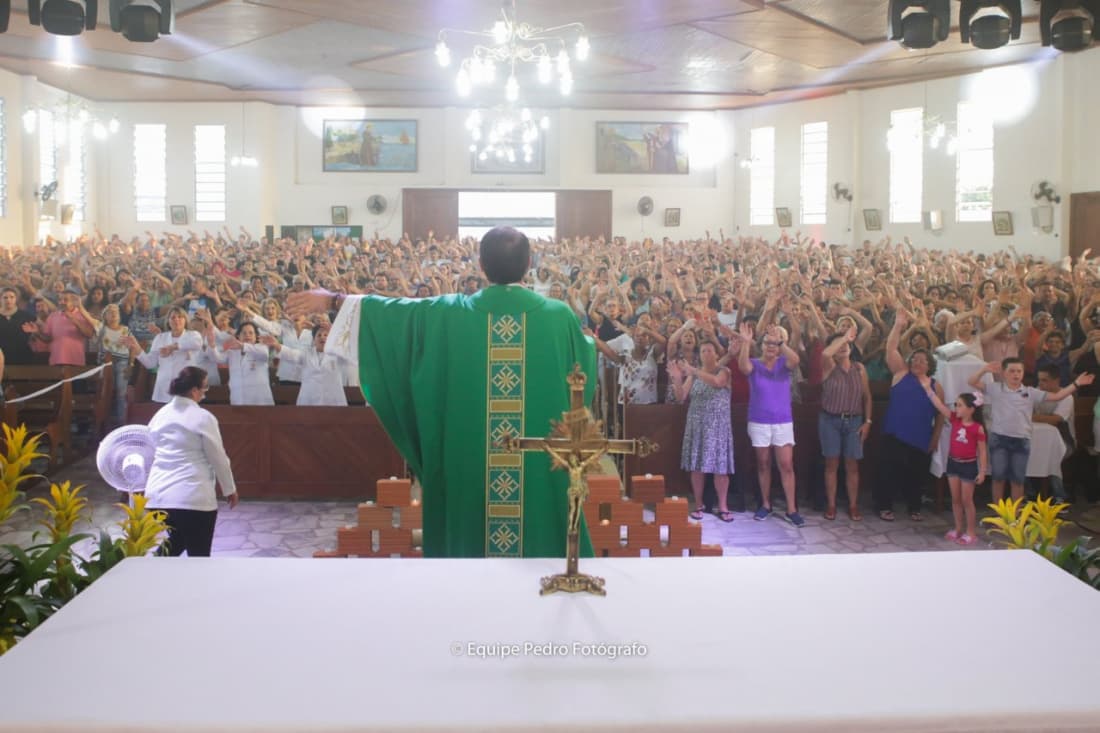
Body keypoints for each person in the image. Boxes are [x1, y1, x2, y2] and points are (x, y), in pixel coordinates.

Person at [286, 226, 596, 559]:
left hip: (467, 461)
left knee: (467, 552)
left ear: (480, 265)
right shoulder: (558, 317)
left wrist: (333, 299)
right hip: (538, 465)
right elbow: (583, 378)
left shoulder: (448, 312)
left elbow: (392, 313)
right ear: (530, 263)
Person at [144, 366, 238, 557]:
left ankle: (150, 574)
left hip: (158, 497)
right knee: (199, 557)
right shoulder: (203, 417)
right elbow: (218, 457)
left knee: (176, 543)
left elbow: (149, 448)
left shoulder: (159, 415)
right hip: (192, 498)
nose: (205, 394)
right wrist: (229, 489)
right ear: (194, 390)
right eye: (205, 389)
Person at [967, 357, 1091, 502]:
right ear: (1004, 373)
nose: (1016, 374)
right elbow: (972, 382)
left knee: (1017, 480)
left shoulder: (1031, 392)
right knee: (998, 478)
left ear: (1023, 373)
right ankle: (1000, 515)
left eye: (1019, 371)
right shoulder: (995, 388)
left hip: (1021, 441)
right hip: (999, 439)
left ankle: (1016, 517)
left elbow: (1058, 396)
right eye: (1012, 371)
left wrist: (1077, 383)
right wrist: (984, 370)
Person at [875, 312, 944, 522]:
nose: (917, 362)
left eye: (922, 360)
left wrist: (935, 438)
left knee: (917, 474)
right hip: (895, 434)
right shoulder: (901, 374)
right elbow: (891, 348)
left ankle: (915, 507)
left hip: (921, 436)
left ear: (930, 365)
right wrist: (898, 325)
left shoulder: (936, 386)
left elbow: (941, 415)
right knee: (888, 472)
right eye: (914, 358)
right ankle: (884, 506)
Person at [738, 322, 804, 527]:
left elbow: (796, 359)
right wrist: (746, 343)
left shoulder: (784, 363)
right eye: (767, 343)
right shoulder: (754, 364)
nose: (770, 347)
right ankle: (765, 505)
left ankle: (791, 509)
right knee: (763, 463)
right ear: (762, 345)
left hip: (782, 421)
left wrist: (781, 342)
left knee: (786, 465)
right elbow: (743, 367)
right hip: (759, 421)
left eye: (774, 344)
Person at [668, 340, 734, 522]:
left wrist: (694, 371)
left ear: (716, 354)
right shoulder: (694, 375)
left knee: (720, 469)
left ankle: (723, 506)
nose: (706, 353)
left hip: (718, 427)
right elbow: (681, 397)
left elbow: (718, 382)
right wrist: (677, 378)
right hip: (696, 426)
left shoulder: (724, 371)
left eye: (709, 350)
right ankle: (699, 504)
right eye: (703, 350)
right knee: (697, 467)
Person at [818, 326, 872, 521]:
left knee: (852, 465)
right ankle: (831, 505)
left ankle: (853, 505)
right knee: (831, 463)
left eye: (846, 343)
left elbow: (867, 397)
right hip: (830, 420)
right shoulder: (829, 366)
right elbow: (826, 353)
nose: (842, 346)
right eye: (837, 344)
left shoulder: (859, 368)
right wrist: (842, 338)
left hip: (854, 421)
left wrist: (867, 421)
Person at [923, 388, 987, 546]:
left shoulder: (977, 428)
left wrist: (982, 471)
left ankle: (971, 532)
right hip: (953, 463)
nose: (956, 408)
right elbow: (940, 406)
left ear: (971, 409)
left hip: (968, 466)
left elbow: (983, 451)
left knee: (967, 500)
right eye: (956, 405)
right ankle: (958, 528)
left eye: (959, 405)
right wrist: (929, 392)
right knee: (956, 499)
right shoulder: (954, 420)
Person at [129, 307, 204, 403]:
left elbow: (196, 343)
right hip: (164, 388)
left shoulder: (193, 335)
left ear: (185, 320)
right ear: (168, 321)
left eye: (180, 317)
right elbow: (150, 363)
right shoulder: (160, 338)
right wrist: (137, 348)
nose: (176, 319)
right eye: (173, 317)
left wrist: (172, 347)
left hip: (186, 387)